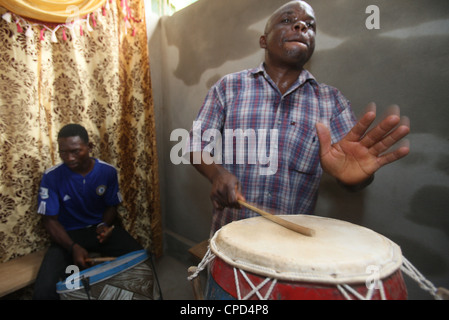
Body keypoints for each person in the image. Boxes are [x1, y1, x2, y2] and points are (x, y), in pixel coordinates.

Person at [188, 1, 410, 234]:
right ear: (264, 40)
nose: (301, 26)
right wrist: (217, 173)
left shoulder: (332, 102)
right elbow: (195, 145)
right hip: (230, 236)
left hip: (290, 249)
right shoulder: (228, 87)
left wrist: (355, 179)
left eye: (310, 25)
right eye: (287, 20)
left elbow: (354, 175)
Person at [33, 124, 144, 300]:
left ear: (89, 147)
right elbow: (50, 221)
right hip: (68, 236)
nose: (69, 158)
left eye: (75, 151)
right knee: (44, 289)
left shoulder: (107, 171)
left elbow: (111, 206)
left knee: (140, 260)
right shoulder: (51, 176)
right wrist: (72, 247)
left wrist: (104, 225)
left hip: (98, 229)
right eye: (63, 152)